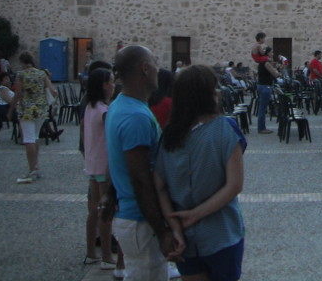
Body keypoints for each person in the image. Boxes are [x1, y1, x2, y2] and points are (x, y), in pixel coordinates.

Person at [154, 65, 245, 281]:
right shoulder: (226, 129)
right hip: (222, 232)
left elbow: (159, 186)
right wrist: (195, 215)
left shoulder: (169, 135)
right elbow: (234, 185)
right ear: (208, 94)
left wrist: (175, 226)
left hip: (185, 237)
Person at [101, 45, 184, 281]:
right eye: (155, 62)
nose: (160, 68)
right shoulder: (135, 116)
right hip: (141, 221)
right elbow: (140, 178)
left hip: (133, 216)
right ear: (145, 69)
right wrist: (162, 230)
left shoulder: (121, 105)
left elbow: (118, 159)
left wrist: (111, 192)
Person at [83, 67, 118, 269]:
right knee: (106, 211)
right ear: (105, 85)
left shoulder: (90, 107)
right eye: (112, 81)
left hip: (92, 165)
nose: (114, 85)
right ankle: (106, 256)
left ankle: (91, 252)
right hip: (104, 167)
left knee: (94, 211)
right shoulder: (104, 112)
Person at [8, 51, 59, 183]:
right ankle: (35, 166)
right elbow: (53, 91)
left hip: (27, 109)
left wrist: (11, 109)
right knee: (35, 136)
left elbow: (18, 94)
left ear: (22, 62)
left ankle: (32, 169)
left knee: (28, 138)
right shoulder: (41, 73)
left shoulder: (21, 75)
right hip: (41, 109)